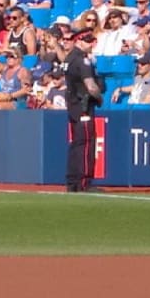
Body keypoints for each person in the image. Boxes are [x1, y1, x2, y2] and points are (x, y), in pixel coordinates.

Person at [63, 29, 103, 193]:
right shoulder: (82, 60)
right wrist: (99, 98)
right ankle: (84, 182)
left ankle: (72, 181)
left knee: (76, 144)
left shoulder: (69, 58)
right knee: (86, 143)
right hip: (83, 106)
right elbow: (91, 86)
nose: (91, 43)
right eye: (87, 40)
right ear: (79, 41)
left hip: (73, 106)